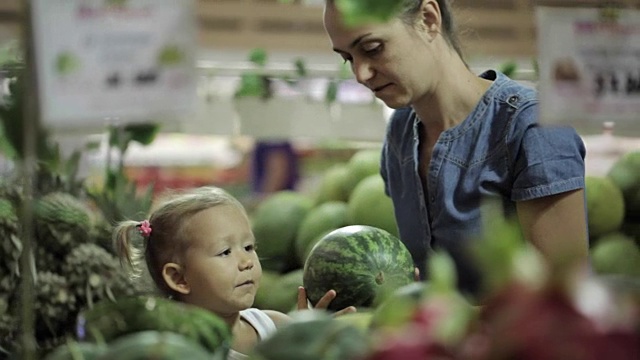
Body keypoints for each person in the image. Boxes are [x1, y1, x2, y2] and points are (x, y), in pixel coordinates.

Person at [322, 0, 589, 299]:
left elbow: (562, 299)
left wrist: (433, 319)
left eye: (372, 48)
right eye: (348, 58)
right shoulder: (399, 132)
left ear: (428, 18)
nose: (360, 74)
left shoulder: (532, 128)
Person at [113, 186, 355, 359]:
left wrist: (308, 336)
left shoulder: (273, 326)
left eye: (249, 247)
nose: (246, 261)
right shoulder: (180, 350)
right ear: (179, 278)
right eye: (225, 252)